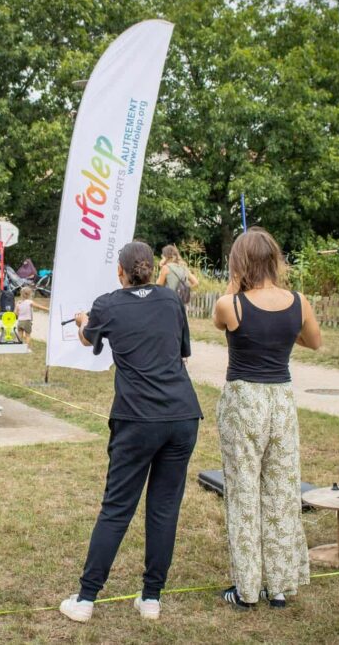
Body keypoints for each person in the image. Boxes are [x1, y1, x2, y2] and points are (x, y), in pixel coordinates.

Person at [59, 241, 202, 624]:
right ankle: (151, 598)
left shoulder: (108, 304)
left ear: (120, 272)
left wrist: (82, 323)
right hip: (182, 415)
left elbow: (88, 338)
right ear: (151, 267)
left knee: (117, 507)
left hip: (138, 419)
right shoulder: (171, 302)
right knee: (164, 509)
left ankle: (86, 598)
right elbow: (181, 352)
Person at [211, 227, 322, 610]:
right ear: (275, 259)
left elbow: (219, 325)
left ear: (239, 262)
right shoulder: (299, 302)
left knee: (243, 493)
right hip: (281, 400)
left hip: (244, 398)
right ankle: (278, 585)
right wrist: (284, 332)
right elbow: (314, 341)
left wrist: (234, 284)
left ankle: (246, 588)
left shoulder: (231, 304)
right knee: (281, 493)